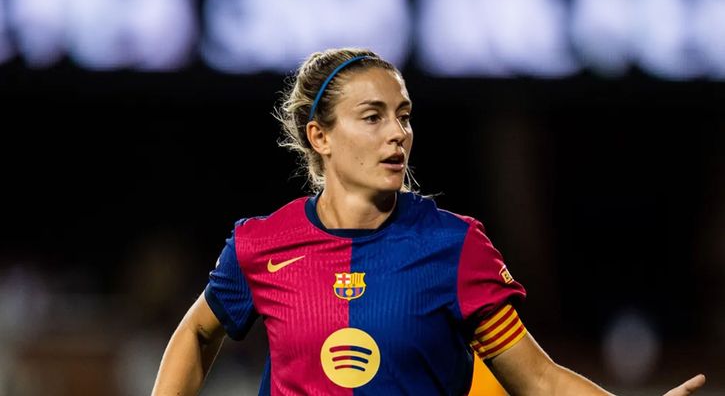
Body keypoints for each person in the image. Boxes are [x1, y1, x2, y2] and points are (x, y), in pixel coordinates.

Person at [151, 48, 707, 395]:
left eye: (404, 116)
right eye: (373, 117)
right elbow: (197, 333)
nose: (398, 133)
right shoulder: (262, 244)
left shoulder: (454, 246)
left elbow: (538, 379)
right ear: (320, 136)